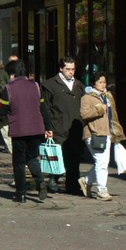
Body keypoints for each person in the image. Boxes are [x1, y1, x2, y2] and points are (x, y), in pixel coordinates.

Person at [0, 59, 53, 203]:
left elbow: (2, 110)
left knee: (19, 162)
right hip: (36, 128)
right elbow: (43, 109)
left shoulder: (9, 89)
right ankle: (40, 182)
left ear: (12, 74)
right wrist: (48, 127)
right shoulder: (35, 86)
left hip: (19, 129)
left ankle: (21, 193)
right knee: (32, 157)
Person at [41, 57, 86, 195]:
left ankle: (72, 184)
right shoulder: (50, 85)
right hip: (58, 126)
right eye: (68, 69)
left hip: (75, 127)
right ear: (61, 68)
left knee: (74, 157)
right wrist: (47, 127)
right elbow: (45, 108)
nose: (71, 72)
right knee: (58, 155)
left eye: (73, 69)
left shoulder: (79, 85)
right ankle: (54, 179)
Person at [79, 72, 126, 201]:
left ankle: (86, 180)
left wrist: (116, 130)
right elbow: (84, 114)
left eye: (104, 82)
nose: (103, 84)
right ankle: (102, 190)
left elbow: (113, 115)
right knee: (101, 161)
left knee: (103, 162)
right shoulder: (87, 97)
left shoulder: (108, 96)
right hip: (93, 133)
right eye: (100, 82)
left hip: (107, 132)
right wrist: (99, 109)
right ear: (94, 83)